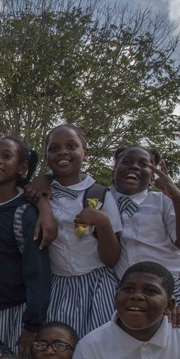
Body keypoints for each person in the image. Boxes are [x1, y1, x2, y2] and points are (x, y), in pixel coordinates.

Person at [110, 146, 180, 333]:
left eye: (143, 164)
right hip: (130, 292)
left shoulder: (162, 201)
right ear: (114, 169)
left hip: (176, 285)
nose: (134, 167)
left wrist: (177, 197)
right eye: (126, 162)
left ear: (152, 175)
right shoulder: (102, 199)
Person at [41, 125, 122, 338]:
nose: (62, 153)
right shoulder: (41, 192)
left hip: (97, 285)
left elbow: (112, 258)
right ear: (47, 156)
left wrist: (103, 223)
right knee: (60, 346)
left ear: (85, 153)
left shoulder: (101, 194)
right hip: (58, 286)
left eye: (71, 146)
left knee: (99, 346)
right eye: (54, 148)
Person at [0, 136, 51, 358]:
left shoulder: (24, 213)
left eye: (6, 156)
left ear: (22, 167)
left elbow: (37, 272)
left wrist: (32, 325)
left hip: (14, 312)